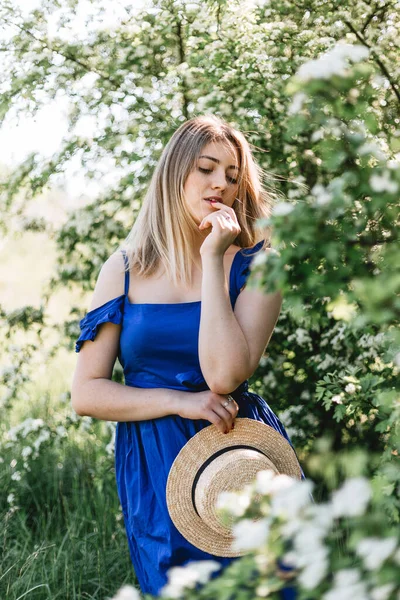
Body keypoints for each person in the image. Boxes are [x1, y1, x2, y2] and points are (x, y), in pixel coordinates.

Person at [72, 114, 298, 598]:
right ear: (175, 173)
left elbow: (223, 375)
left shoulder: (260, 267)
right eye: (207, 169)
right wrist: (178, 402)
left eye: (233, 177)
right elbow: (86, 392)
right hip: (157, 463)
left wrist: (213, 259)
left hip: (236, 452)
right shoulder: (125, 270)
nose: (221, 183)